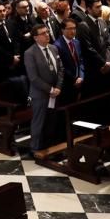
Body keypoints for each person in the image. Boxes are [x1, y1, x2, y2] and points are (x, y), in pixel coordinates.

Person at [24, 24, 63, 155]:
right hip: (40, 94)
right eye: (43, 33)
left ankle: (49, 146)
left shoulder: (53, 48)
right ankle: (35, 148)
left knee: (52, 121)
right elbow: (33, 78)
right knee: (39, 122)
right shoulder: (30, 53)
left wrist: (58, 87)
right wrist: (50, 89)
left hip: (55, 92)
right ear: (35, 38)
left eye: (47, 32)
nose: (47, 34)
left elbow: (60, 69)